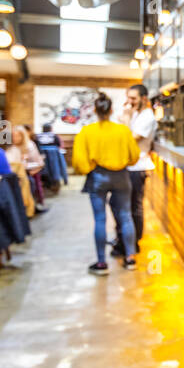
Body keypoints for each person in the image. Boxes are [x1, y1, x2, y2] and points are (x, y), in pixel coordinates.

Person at [72, 93, 139, 276]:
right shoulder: (123, 131)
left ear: (95, 110)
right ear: (111, 110)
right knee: (125, 216)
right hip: (122, 176)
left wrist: (88, 168)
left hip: (98, 176)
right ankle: (130, 258)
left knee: (100, 219)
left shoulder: (87, 131)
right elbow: (134, 157)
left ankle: (101, 263)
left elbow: (79, 161)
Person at [111, 84, 156, 257]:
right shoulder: (135, 114)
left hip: (137, 168)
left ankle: (133, 243)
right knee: (121, 206)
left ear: (144, 99)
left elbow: (130, 141)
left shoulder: (147, 117)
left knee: (132, 207)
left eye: (133, 98)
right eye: (128, 98)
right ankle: (123, 240)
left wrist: (126, 121)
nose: (129, 102)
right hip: (126, 166)